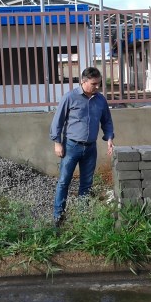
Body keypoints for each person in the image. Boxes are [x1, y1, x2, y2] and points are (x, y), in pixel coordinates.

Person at [49, 66, 114, 227]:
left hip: (90, 148)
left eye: (99, 83)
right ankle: (58, 217)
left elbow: (106, 121)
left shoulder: (100, 100)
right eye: (94, 84)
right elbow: (57, 121)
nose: (97, 87)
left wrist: (109, 137)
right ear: (83, 82)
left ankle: (83, 216)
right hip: (71, 146)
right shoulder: (70, 97)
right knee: (64, 181)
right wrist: (57, 142)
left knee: (86, 183)